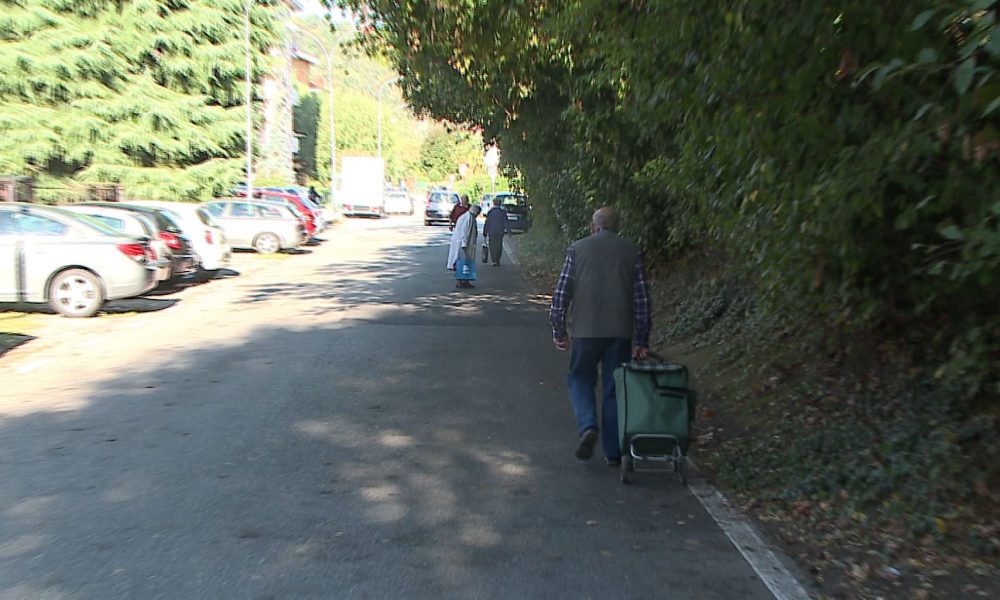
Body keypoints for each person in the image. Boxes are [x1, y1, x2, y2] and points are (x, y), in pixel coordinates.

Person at [549, 207, 651, 466]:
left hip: (585, 330)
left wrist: (558, 329)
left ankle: (588, 426)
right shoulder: (631, 251)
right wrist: (642, 339)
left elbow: (561, 294)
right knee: (614, 389)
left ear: (593, 226)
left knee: (580, 379)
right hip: (620, 333)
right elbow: (641, 299)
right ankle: (614, 452)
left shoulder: (577, 249)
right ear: (618, 227)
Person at [449, 204, 481, 288]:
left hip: (466, 244)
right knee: (462, 263)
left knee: (467, 263)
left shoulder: (467, 217)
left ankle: (466, 280)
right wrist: (464, 244)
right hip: (464, 245)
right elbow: (464, 232)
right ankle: (460, 281)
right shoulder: (468, 218)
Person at [482, 199, 512, 266]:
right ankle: (497, 259)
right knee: (499, 245)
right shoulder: (503, 212)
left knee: (492, 246)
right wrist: (509, 231)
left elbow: (487, 222)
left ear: (493, 203)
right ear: (500, 204)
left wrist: (485, 232)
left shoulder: (490, 212)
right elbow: (506, 222)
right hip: (500, 231)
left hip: (491, 231)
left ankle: (494, 260)